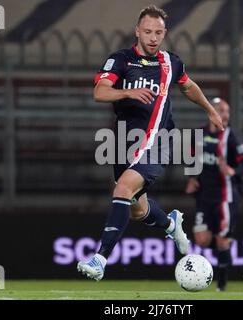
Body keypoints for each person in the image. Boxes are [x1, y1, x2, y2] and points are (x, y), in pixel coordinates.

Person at [77, 5, 224, 281]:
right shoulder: (121, 60)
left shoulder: (171, 62)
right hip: (124, 143)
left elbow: (188, 85)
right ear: (137, 31)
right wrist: (127, 92)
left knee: (122, 188)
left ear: (164, 33)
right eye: (148, 32)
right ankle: (171, 224)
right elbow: (100, 92)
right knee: (137, 209)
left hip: (158, 140)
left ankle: (100, 259)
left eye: (158, 32)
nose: (153, 38)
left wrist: (210, 109)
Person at [185, 97, 243, 291]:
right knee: (201, 239)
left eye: (227, 111)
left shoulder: (231, 137)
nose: (225, 115)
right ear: (211, 112)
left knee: (222, 239)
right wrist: (192, 178)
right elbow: (191, 158)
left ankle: (221, 285)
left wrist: (233, 171)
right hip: (204, 196)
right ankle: (225, 249)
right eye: (221, 110)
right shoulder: (198, 135)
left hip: (226, 196)